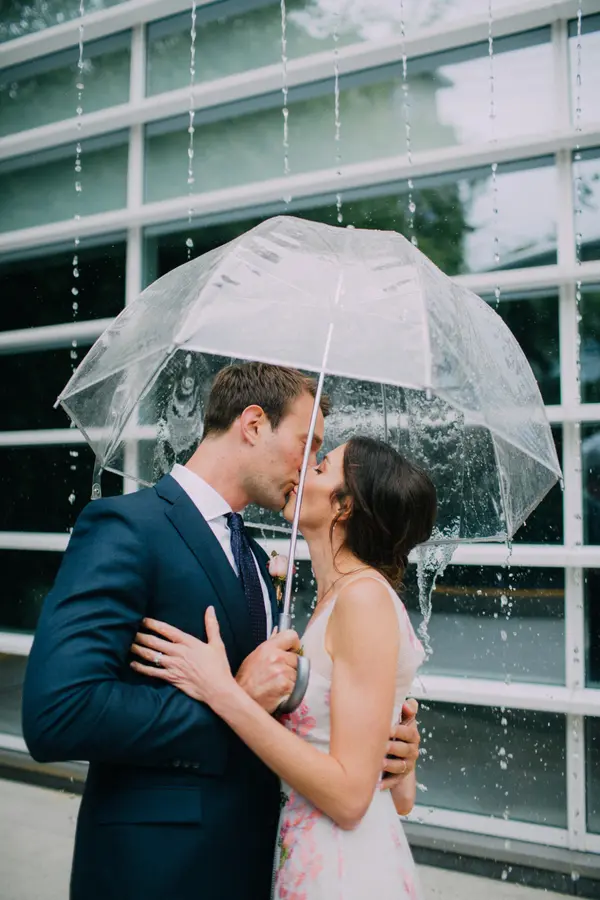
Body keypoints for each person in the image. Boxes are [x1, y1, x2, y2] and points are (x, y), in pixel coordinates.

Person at [22, 363, 420, 900]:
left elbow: (290, 715)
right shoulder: (127, 528)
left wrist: (382, 749)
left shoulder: (258, 560)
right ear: (253, 424)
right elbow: (57, 713)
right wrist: (231, 699)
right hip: (156, 871)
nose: (306, 472)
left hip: (263, 865)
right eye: (307, 446)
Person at [131, 434, 437, 899]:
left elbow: (353, 799)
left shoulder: (364, 600)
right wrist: (399, 757)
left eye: (320, 467)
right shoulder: (333, 601)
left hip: (342, 872)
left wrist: (224, 692)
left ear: (344, 507)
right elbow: (400, 792)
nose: (302, 468)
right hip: (302, 855)